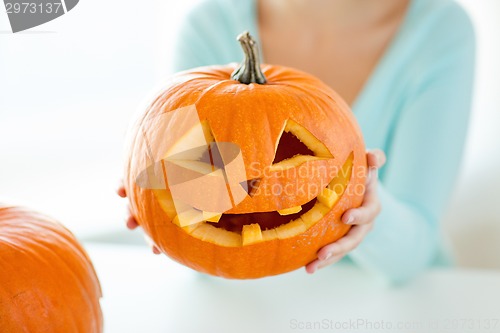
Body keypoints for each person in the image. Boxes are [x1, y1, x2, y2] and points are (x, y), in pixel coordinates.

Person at [118, 0, 475, 283]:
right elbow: (194, 220)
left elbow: (410, 257)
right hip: (235, 309)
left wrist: (364, 210)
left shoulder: (439, 30)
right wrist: (157, 181)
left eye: (291, 153)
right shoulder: (208, 24)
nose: (256, 183)